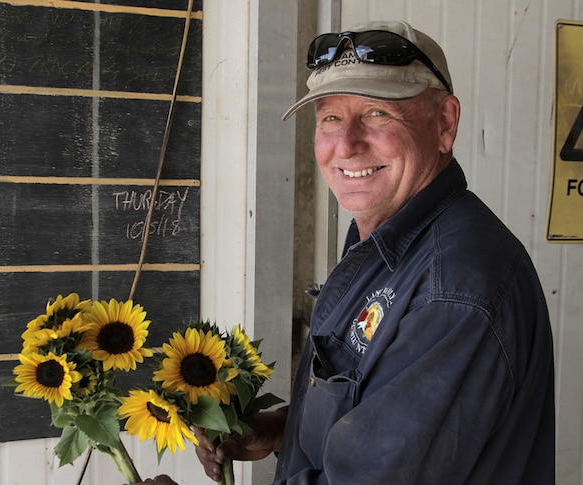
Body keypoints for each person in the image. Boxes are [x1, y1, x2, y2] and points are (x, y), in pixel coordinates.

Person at [135, 18, 555, 485]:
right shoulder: (389, 239)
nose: (346, 145)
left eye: (377, 114)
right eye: (330, 118)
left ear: (445, 123)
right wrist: (283, 431)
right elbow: (385, 412)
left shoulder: (454, 288)